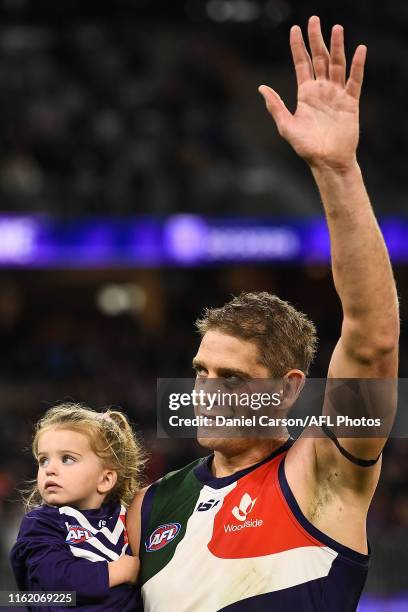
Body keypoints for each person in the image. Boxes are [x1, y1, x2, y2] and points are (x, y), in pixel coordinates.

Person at [127, 15, 399, 612]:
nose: (206, 391)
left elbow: (372, 340)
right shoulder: (150, 505)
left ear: (286, 388)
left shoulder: (325, 471)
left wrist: (337, 172)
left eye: (232, 380)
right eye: (201, 373)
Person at [10, 404, 143, 611]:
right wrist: (117, 572)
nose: (50, 470)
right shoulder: (40, 524)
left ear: (106, 479)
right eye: (43, 460)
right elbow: (56, 581)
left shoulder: (127, 516)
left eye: (67, 459)